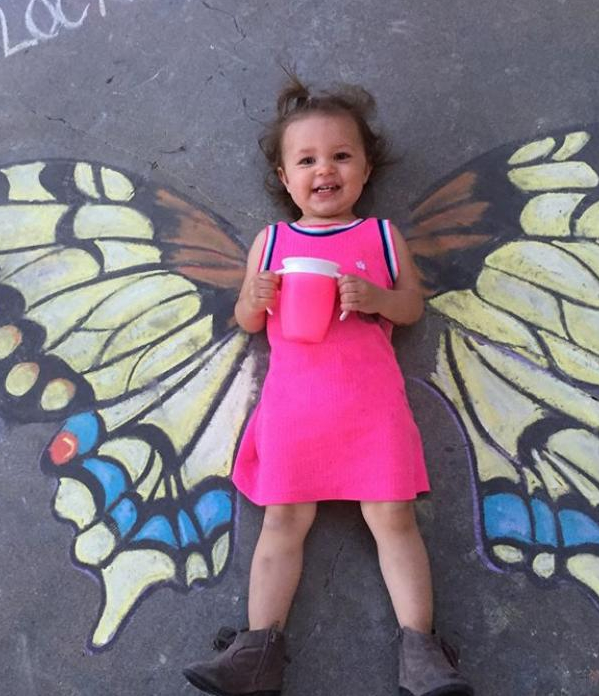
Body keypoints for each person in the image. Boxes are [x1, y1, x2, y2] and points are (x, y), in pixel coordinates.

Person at [182, 75, 474, 696]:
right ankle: (257, 650)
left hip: (371, 407)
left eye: (341, 156)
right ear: (286, 181)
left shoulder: (381, 236)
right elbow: (248, 322)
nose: (325, 170)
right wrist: (252, 297)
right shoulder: (273, 240)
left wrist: (376, 298)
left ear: (365, 170)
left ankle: (421, 651)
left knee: (393, 517)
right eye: (306, 159)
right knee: (282, 520)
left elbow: (412, 310)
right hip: (294, 408)